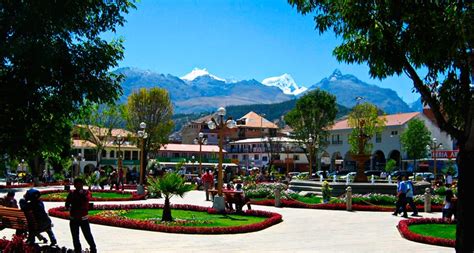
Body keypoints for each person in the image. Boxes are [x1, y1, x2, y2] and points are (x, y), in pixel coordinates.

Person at [66, 178, 97, 253]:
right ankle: (78, 250)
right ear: (74, 185)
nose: (79, 186)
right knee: (75, 237)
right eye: (77, 184)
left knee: (87, 235)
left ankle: (93, 249)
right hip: (74, 218)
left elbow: (86, 199)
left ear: (83, 185)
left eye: (80, 184)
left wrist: (81, 193)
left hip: (84, 218)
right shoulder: (72, 193)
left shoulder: (87, 192)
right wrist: (70, 209)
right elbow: (67, 204)